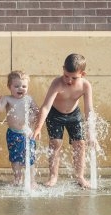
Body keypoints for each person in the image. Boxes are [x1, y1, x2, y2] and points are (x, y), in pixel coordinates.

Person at [32, 53, 94, 188]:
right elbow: (45, 107)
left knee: (80, 144)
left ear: (83, 74)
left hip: (74, 115)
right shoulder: (57, 83)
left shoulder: (85, 86)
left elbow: (89, 110)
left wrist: (91, 133)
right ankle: (53, 176)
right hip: (55, 115)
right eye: (66, 75)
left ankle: (80, 177)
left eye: (74, 78)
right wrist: (38, 128)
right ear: (63, 69)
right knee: (55, 143)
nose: (69, 80)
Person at [0, 70, 39, 188]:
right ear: (9, 87)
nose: (21, 88)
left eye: (24, 86)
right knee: (15, 158)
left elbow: (37, 111)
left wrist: (35, 123)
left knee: (30, 158)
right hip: (13, 133)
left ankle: (32, 180)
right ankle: (18, 178)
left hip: (27, 133)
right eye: (17, 86)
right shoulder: (7, 99)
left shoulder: (29, 99)